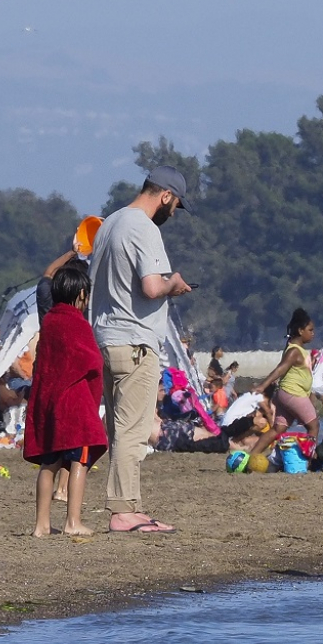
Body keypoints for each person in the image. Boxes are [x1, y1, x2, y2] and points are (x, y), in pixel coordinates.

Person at [89, 164, 191, 533]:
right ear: (165, 195)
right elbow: (151, 287)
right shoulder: (144, 227)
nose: (173, 213)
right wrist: (173, 283)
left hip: (105, 337)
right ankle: (124, 510)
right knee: (134, 430)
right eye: (175, 205)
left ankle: (126, 505)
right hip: (135, 340)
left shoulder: (110, 223)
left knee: (119, 428)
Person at [25, 261, 108, 536]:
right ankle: (73, 521)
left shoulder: (49, 320)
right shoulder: (77, 323)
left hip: (50, 403)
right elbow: (92, 360)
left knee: (49, 463)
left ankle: (41, 525)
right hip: (74, 407)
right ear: (79, 294)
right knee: (79, 462)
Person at [254, 309, 322, 441]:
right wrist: (262, 386)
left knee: (278, 429)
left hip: (286, 393)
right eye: (310, 330)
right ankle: (308, 459)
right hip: (293, 393)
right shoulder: (295, 351)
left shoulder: (297, 349)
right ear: (301, 331)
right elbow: (280, 369)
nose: (313, 333)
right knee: (314, 426)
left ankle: (252, 456)